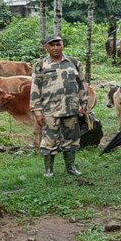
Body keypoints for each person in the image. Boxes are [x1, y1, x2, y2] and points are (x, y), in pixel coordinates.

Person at [30, 35, 88, 178]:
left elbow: (82, 84)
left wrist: (83, 104)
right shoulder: (40, 65)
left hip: (71, 108)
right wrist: (37, 112)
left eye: (58, 44)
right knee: (49, 140)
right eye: (52, 45)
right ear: (46, 47)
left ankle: (71, 167)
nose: (55, 47)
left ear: (63, 45)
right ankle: (48, 170)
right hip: (50, 109)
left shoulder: (74, 63)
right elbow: (35, 89)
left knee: (71, 139)